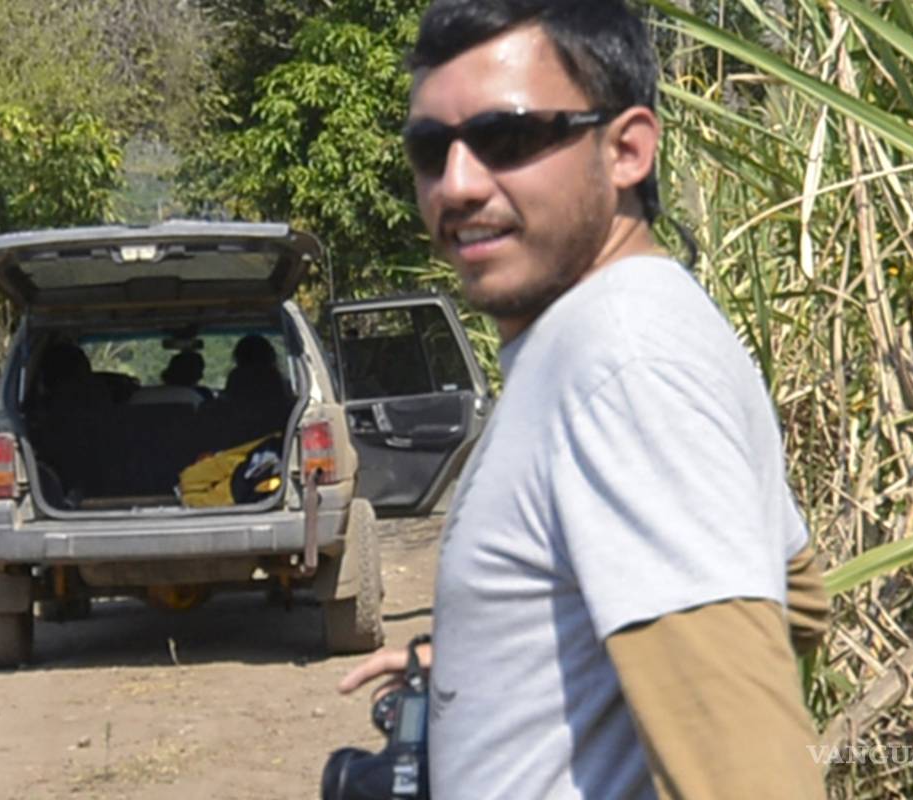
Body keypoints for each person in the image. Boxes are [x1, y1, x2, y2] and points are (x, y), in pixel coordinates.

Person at [338, 1, 829, 798]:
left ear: (627, 149)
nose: (457, 184)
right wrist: (511, 658)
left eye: (508, 139)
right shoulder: (612, 333)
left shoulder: (625, 364)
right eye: (431, 150)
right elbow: (794, 599)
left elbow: (753, 779)